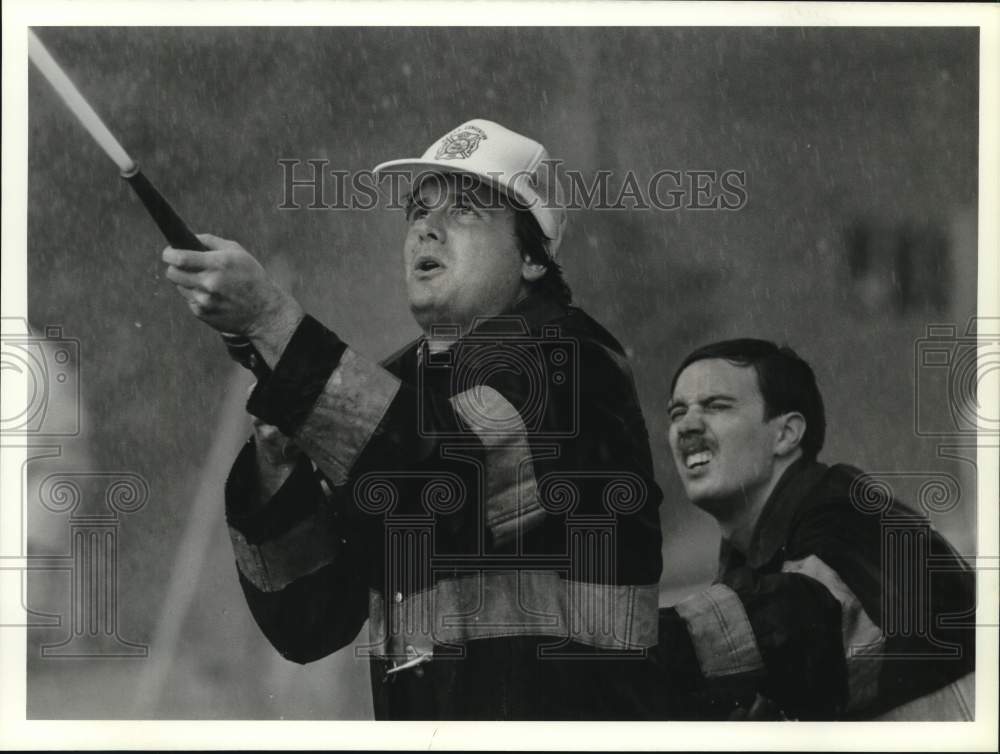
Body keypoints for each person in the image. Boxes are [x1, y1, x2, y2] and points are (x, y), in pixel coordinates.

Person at [161, 119, 667, 719]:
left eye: (465, 211)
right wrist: (280, 448)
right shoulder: (392, 396)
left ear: (533, 256)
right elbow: (308, 619)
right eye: (417, 211)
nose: (426, 226)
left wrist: (275, 324)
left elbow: (444, 481)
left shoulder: (574, 364)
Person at [653, 339, 976, 720]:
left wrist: (627, 647)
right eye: (677, 412)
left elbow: (793, 624)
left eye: (716, 406)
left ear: (786, 434)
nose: (686, 426)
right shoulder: (758, 556)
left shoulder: (847, 518)